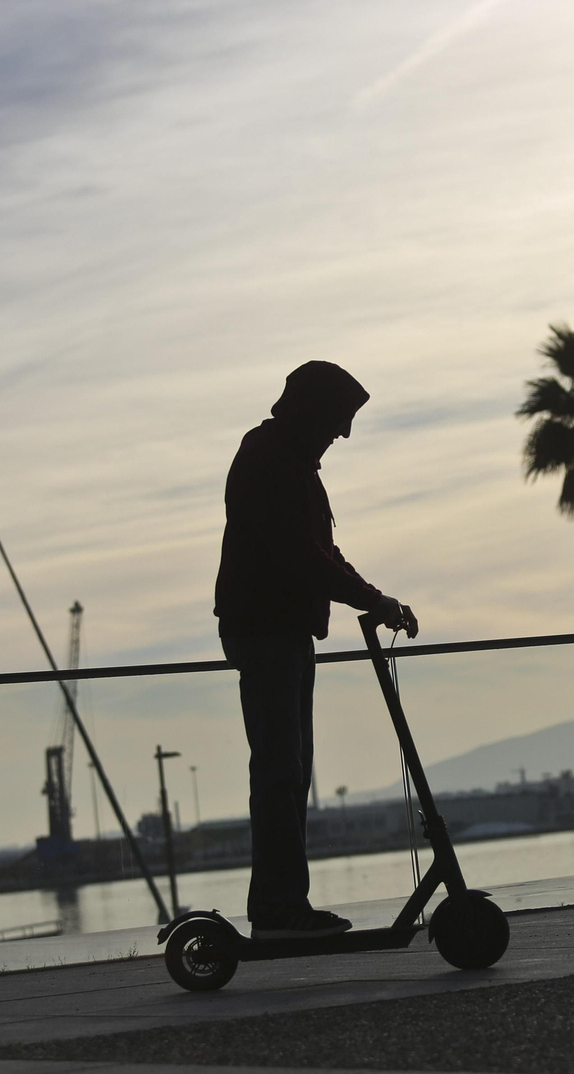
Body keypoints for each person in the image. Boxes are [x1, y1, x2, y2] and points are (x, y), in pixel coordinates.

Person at [214, 361, 417, 938]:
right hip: (267, 630)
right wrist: (370, 600)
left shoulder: (287, 462)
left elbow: (320, 553)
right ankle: (279, 910)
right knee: (281, 771)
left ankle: (283, 904)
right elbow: (303, 557)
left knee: (288, 771)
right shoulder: (272, 462)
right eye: (339, 419)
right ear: (310, 410)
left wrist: (373, 599)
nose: (344, 434)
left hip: (281, 629)